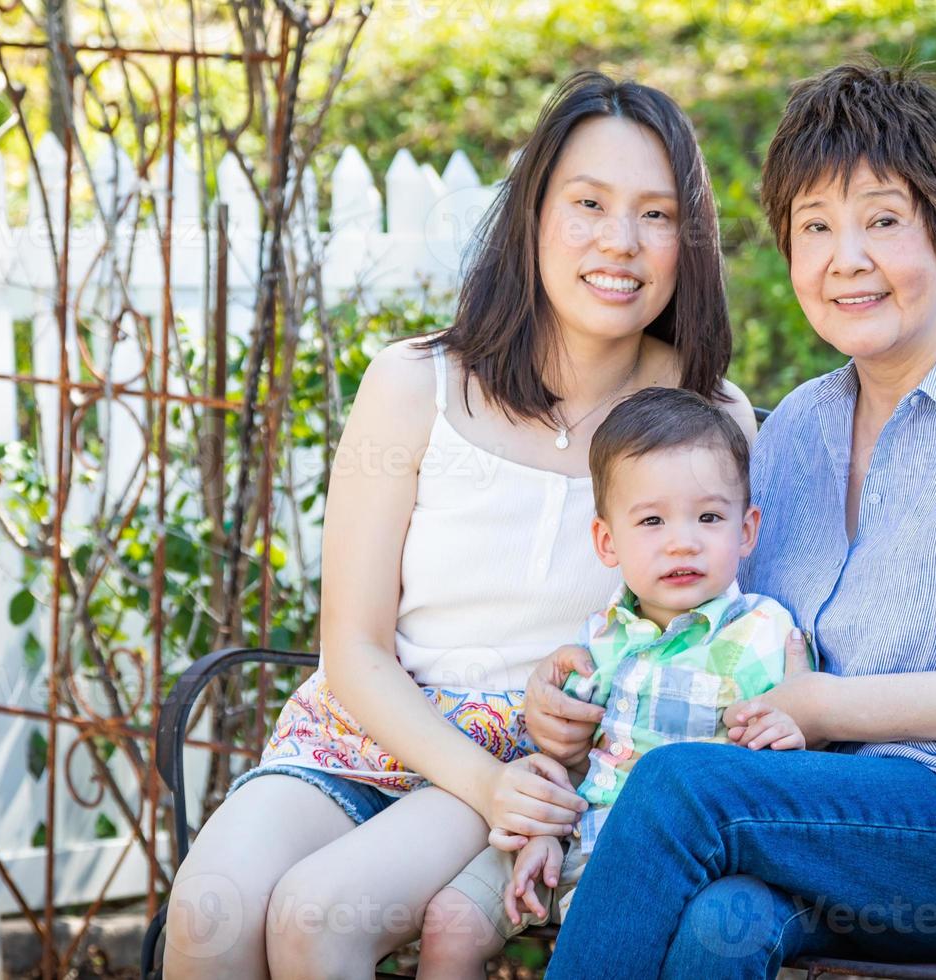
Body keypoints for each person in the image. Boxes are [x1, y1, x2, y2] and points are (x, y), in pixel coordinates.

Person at [525, 62, 936, 979]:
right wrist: (586, 676)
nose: (844, 259)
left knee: (680, 789)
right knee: (722, 925)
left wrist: (823, 706)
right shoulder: (793, 433)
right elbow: (723, 629)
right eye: (815, 226)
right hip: (819, 824)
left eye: (883, 221)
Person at [161, 70, 757, 980]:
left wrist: (508, 777)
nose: (620, 243)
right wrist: (476, 779)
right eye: (587, 204)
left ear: (690, 239)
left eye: (657, 215)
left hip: (533, 755)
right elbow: (351, 648)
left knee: (317, 920)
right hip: (362, 732)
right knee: (208, 917)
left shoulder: (708, 415)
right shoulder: (416, 384)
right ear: (532, 215)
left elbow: (709, 641)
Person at [418, 387, 813, 978]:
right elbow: (568, 759)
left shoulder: (763, 634)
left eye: (709, 517)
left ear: (747, 529)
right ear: (607, 541)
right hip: (572, 833)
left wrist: (794, 728)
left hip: (668, 866)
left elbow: (788, 770)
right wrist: (541, 837)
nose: (683, 540)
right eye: (652, 520)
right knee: (450, 922)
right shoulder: (599, 637)